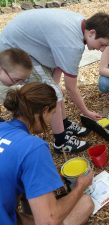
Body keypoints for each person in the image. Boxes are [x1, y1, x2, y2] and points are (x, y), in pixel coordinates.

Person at [0, 9, 109, 153]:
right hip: (15, 50)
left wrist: (53, 87)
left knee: (55, 90)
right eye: (102, 44)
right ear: (92, 33)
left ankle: (64, 123)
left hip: (28, 45)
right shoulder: (72, 44)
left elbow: (59, 67)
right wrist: (86, 111)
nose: (101, 50)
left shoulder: (80, 24)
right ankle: (61, 141)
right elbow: (71, 87)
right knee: (54, 94)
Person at [0, 82, 94, 225]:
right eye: (53, 113)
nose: (51, 120)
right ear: (44, 111)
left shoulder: (3, 128)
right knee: (85, 204)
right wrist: (80, 186)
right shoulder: (33, 147)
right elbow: (48, 221)